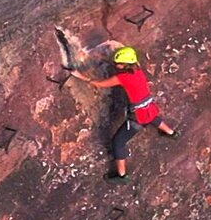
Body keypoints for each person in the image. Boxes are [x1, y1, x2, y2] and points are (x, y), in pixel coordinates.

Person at [72, 46, 179, 179]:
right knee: (153, 117)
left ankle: (122, 175)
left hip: (138, 117)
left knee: (118, 142)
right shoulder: (138, 69)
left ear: (125, 65)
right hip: (149, 107)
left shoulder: (122, 78)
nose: (117, 65)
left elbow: (99, 84)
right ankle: (171, 133)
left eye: (119, 64)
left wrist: (79, 75)